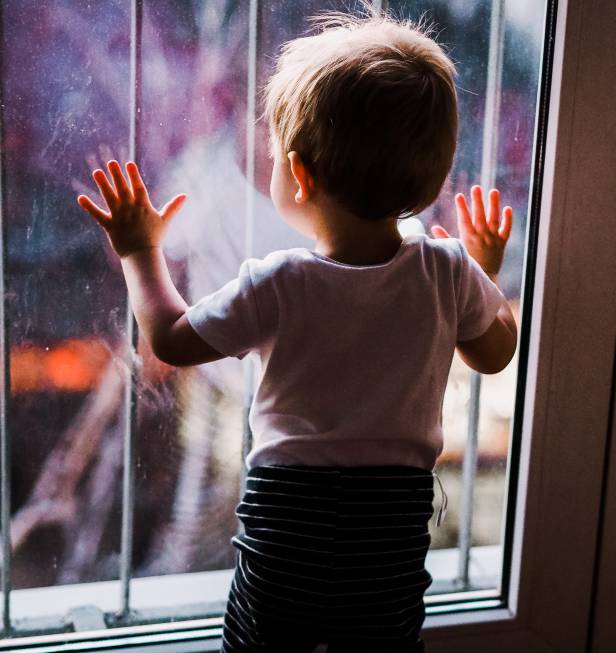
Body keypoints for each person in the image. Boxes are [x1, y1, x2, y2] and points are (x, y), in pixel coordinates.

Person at [77, 10, 518, 652]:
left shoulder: (277, 283)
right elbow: (494, 350)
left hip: (289, 523)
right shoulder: (445, 272)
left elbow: (170, 338)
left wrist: (139, 251)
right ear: (431, 178)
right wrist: (482, 272)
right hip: (389, 527)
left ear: (301, 176)